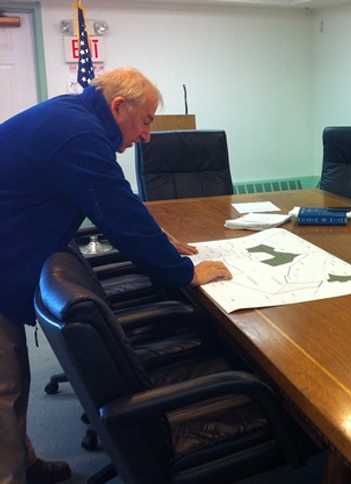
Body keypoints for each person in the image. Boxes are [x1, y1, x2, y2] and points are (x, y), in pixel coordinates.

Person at [0, 67, 231, 484]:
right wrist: (185, 274)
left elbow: (113, 199)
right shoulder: (80, 135)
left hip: (9, 254)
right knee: (3, 385)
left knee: (13, 373)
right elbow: (117, 212)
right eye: (145, 122)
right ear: (118, 107)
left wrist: (158, 234)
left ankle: (23, 462)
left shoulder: (75, 118)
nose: (146, 136)